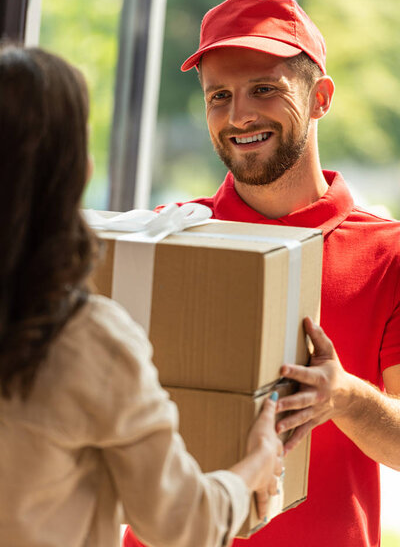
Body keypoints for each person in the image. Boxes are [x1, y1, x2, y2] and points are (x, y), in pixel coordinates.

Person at [124, 0, 400, 547]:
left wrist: (343, 396)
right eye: (218, 96)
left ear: (320, 97)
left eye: (264, 90)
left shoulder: (387, 255)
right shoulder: (164, 240)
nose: (238, 115)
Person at [0, 43, 284, 547]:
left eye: (262, 89)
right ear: (73, 172)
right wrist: (258, 466)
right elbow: (181, 523)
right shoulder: (82, 339)